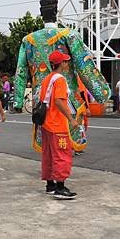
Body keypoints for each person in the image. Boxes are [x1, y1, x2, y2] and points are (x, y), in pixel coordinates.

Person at [13, 0, 111, 155]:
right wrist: (101, 92)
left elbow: (21, 71)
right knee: (65, 137)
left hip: (41, 99)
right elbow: (84, 65)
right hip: (67, 97)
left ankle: (51, 171)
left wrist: (18, 101)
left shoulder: (28, 40)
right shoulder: (69, 35)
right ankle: (60, 172)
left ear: (41, 15)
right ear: (56, 13)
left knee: (48, 138)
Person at [39, 50, 80, 200]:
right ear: (61, 64)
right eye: (65, 61)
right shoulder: (60, 80)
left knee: (48, 155)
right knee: (62, 155)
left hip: (46, 123)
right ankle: (60, 187)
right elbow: (58, 101)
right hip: (57, 124)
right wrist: (71, 119)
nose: (67, 63)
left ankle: (50, 185)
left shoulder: (47, 79)